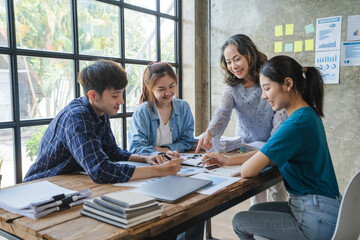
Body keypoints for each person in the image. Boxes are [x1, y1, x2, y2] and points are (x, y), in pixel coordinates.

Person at [202, 55, 341, 240]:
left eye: (267, 88)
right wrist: (228, 160)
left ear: (288, 84)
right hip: (324, 210)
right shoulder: (307, 114)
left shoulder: (294, 125)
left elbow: (248, 171)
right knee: (256, 210)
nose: (263, 95)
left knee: (240, 221)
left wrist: (238, 164)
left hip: (315, 219)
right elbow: (267, 152)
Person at [23, 60, 182, 184]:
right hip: (43, 185)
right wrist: (160, 170)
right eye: (115, 95)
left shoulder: (100, 112)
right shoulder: (77, 117)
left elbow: (112, 152)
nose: (121, 100)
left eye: (121, 94)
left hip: (71, 182)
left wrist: (146, 158)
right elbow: (101, 171)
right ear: (93, 95)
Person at [195, 34, 287, 205]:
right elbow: (222, 114)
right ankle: (259, 227)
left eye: (237, 59)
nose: (233, 66)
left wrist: (273, 145)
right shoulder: (232, 88)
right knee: (255, 189)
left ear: (250, 55)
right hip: (246, 147)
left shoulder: (269, 81)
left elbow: (280, 116)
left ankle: (277, 222)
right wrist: (209, 133)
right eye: (228, 62)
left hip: (272, 145)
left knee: (277, 188)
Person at [128, 62, 194, 157]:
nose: (168, 93)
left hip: (176, 161)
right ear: (149, 87)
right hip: (150, 165)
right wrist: (159, 154)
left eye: (172, 86)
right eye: (161, 89)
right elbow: (137, 147)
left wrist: (167, 149)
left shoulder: (183, 107)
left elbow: (187, 141)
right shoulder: (142, 112)